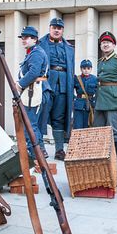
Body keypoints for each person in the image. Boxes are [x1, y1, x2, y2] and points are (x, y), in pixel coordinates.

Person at [38, 18, 75, 161]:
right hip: (46, 84)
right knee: (42, 116)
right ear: (50, 28)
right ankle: (40, 148)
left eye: (59, 28)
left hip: (64, 86)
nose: (56, 30)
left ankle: (59, 150)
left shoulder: (69, 47)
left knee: (59, 118)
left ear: (62, 30)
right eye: (54, 27)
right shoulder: (40, 44)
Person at [15, 26, 51, 159]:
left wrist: (19, 84)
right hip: (33, 90)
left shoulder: (36, 53)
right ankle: (39, 152)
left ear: (35, 39)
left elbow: (34, 73)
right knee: (32, 124)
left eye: (27, 37)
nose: (23, 40)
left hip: (33, 91)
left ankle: (35, 154)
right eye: (22, 37)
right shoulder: (33, 52)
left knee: (30, 125)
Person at [73, 59, 98, 129]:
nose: (86, 70)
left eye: (88, 68)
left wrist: (94, 101)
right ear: (81, 69)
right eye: (84, 68)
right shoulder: (77, 78)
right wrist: (74, 98)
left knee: (88, 125)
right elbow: (70, 89)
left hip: (90, 104)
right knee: (78, 126)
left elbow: (97, 91)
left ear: (91, 69)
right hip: (79, 104)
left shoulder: (95, 79)